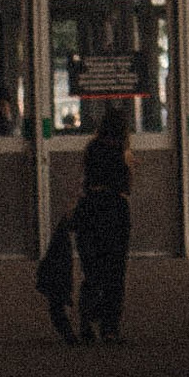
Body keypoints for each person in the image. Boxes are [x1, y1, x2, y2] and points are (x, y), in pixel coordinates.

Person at [71, 105, 132, 343]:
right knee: (115, 272)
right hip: (115, 211)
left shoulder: (92, 148)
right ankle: (110, 328)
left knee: (92, 271)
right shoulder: (123, 152)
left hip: (90, 210)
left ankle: (86, 324)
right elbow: (126, 188)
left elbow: (86, 181)